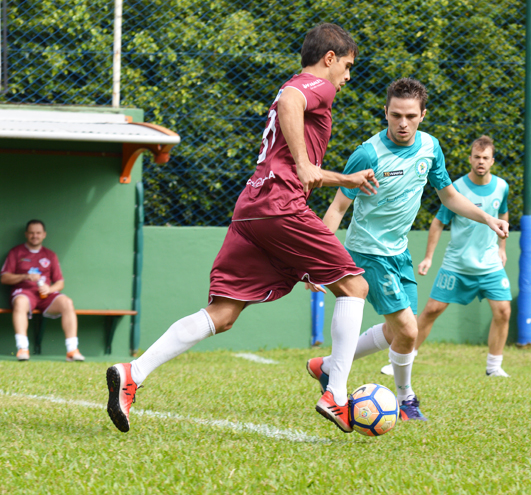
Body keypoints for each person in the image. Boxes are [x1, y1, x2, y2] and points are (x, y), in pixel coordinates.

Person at [106, 23, 379, 434]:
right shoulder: (313, 86)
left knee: (224, 312)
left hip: (252, 207)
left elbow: (292, 123)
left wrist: (341, 178)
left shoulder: (295, 85)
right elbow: (292, 105)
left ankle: (133, 372)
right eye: (348, 65)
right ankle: (336, 394)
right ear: (329, 58)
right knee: (355, 287)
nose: (348, 75)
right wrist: (308, 167)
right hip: (280, 207)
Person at [305, 79, 509, 421]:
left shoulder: (430, 148)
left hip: (400, 253)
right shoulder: (368, 153)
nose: (403, 123)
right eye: (396, 115)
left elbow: (449, 197)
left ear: (422, 115)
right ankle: (405, 399)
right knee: (410, 330)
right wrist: (318, 258)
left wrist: (488, 218)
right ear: (385, 112)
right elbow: (338, 208)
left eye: (411, 116)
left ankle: (326, 366)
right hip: (368, 252)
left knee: (395, 332)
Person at [414, 135, 512, 377]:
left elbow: (503, 214)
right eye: (477, 157)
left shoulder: (502, 186)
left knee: (503, 311)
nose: (481, 162)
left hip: (489, 264)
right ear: (470, 159)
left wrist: (502, 248)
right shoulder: (456, 188)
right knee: (432, 310)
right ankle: (403, 358)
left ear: (492, 161)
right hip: (457, 265)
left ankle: (493, 368)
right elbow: (438, 224)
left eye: (485, 158)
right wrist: (428, 257)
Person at [1, 220, 84, 362]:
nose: (35, 236)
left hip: (45, 295)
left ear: (44, 235)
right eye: (32, 233)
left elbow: (60, 282)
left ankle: (72, 350)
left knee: (67, 302)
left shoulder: (50, 255)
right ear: (26, 234)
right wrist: (25, 276)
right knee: (20, 302)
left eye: (38, 233)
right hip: (24, 293)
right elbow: (4, 277)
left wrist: (49, 288)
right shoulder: (16, 252)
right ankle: (23, 348)